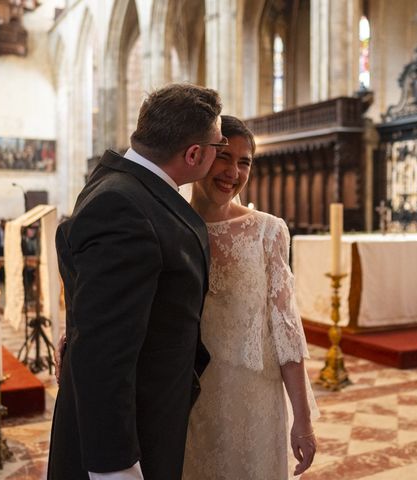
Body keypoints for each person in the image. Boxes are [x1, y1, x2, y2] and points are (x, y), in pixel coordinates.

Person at [48, 83, 224, 480]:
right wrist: (116, 469)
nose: (220, 152)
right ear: (194, 154)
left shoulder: (119, 182)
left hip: (148, 412)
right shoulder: (126, 207)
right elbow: (104, 353)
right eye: (219, 143)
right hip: (131, 434)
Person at [183, 115, 318, 479]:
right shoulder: (171, 225)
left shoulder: (268, 231)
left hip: (256, 395)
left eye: (245, 162)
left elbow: (287, 330)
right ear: (199, 156)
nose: (233, 171)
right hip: (189, 397)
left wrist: (302, 421)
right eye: (225, 157)